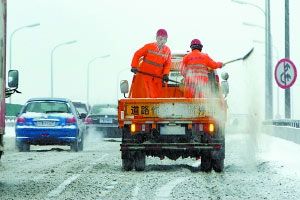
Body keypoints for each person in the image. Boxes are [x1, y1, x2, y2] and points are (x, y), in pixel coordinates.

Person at [130, 29, 171, 98]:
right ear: (156, 38)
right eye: (160, 38)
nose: (162, 41)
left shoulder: (167, 50)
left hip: (157, 79)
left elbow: (168, 64)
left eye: (164, 39)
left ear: (166, 40)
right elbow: (137, 54)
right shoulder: (149, 46)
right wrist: (134, 66)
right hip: (144, 77)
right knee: (142, 96)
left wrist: (166, 74)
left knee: (154, 98)